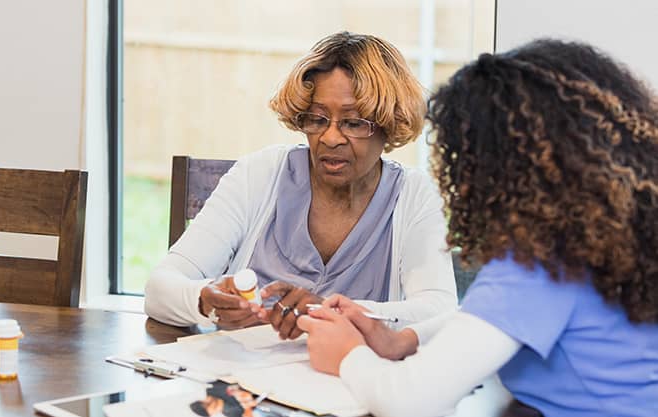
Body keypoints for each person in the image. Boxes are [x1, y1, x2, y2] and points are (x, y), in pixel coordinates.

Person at [297, 39, 658, 417]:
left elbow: (410, 401)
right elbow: (495, 318)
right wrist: (403, 340)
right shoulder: (609, 240)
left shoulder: (543, 263)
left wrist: (347, 355)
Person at [144, 31, 457, 338]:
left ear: (388, 126)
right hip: (241, 379)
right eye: (317, 119)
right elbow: (161, 288)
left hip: (345, 383)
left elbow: (440, 311)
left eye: (353, 122)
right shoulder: (260, 174)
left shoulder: (412, 195)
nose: (330, 138)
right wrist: (202, 300)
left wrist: (334, 312)